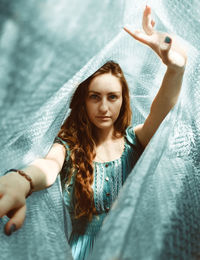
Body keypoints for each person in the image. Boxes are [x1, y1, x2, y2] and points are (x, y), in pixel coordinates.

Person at [0, 6, 187, 260]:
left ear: (123, 100)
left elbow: (161, 110)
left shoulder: (135, 139)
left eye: (113, 97)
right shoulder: (69, 145)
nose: (103, 107)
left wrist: (175, 70)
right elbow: (48, 166)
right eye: (94, 97)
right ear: (83, 101)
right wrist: (23, 179)